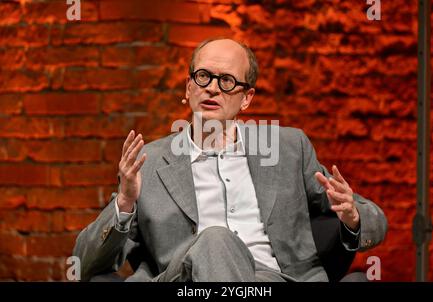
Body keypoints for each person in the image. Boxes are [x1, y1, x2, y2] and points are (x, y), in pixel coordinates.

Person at [73, 38, 387, 282]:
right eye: (203, 76)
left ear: (246, 98)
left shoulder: (288, 147)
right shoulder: (149, 161)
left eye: (226, 81)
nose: (211, 88)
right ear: (188, 87)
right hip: (185, 281)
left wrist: (353, 217)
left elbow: (375, 221)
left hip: (274, 278)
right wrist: (125, 203)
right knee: (215, 240)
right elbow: (86, 263)